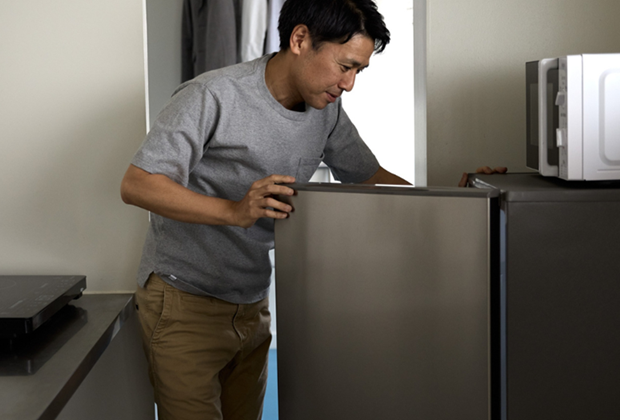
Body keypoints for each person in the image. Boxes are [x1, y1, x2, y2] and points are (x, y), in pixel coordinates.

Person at [120, 1, 408, 419]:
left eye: (358, 71)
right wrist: (234, 211)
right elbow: (138, 183)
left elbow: (368, 176)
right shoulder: (212, 95)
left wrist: (465, 199)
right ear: (300, 39)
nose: (348, 85)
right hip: (183, 303)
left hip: (253, 304)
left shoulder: (325, 112)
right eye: (345, 66)